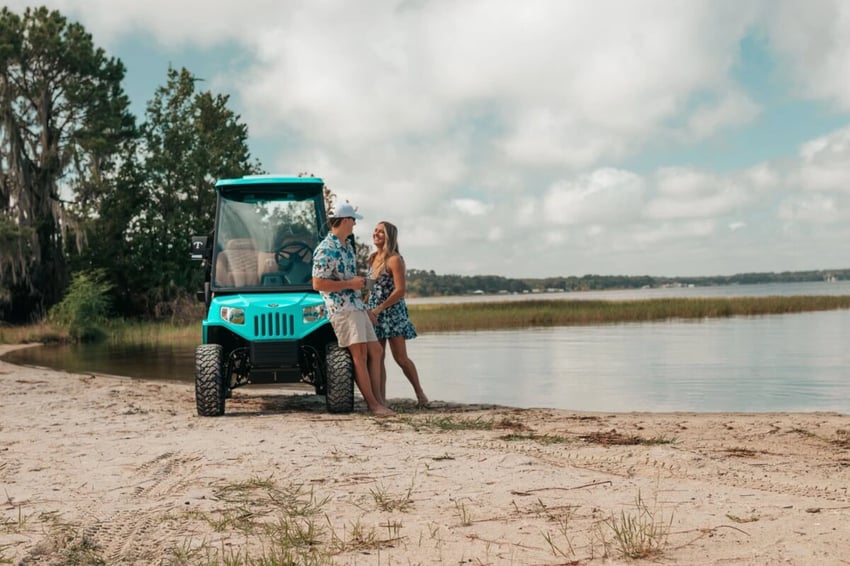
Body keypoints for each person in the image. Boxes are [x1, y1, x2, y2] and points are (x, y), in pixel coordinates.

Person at [312, 202, 394, 416]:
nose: (356, 223)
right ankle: (373, 405)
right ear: (345, 220)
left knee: (375, 351)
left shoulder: (347, 246)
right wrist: (350, 284)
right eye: (353, 220)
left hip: (356, 306)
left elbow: (351, 282)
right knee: (359, 354)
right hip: (342, 310)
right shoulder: (325, 249)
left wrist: (365, 308)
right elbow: (318, 284)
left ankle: (379, 401)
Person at [367, 221, 428, 406]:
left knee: (400, 358)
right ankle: (381, 399)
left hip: (392, 313)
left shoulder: (394, 259)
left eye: (381, 232)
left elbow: (400, 290)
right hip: (374, 313)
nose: (376, 234)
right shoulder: (371, 258)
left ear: (389, 237)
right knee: (378, 357)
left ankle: (420, 395)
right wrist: (364, 306)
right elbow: (370, 288)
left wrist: (380, 308)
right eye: (375, 230)